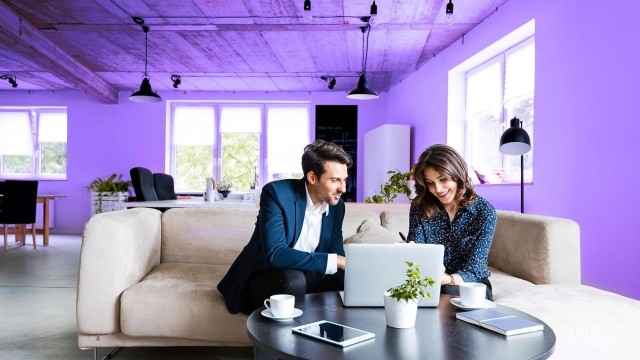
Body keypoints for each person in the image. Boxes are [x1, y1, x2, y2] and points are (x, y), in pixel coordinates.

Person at [217, 139, 352, 314]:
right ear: (312, 177)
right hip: (267, 275)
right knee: (293, 280)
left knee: (347, 279)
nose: (343, 188)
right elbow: (276, 253)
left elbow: (335, 252)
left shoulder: (337, 207)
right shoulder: (277, 194)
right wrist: (336, 261)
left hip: (307, 276)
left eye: (344, 180)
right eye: (335, 180)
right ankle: (293, 339)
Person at [407, 144, 496, 300]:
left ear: (457, 175)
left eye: (443, 179)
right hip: (429, 281)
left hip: (469, 284)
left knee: (447, 296)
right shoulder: (419, 207)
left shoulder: (484, 211)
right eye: (430, 183)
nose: (438, 189)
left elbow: (474, 269)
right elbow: (417, 254)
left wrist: (448, 280)